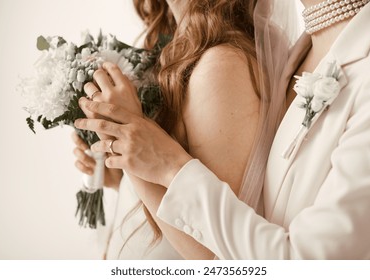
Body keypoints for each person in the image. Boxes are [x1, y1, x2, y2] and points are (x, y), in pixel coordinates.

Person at [76, 0, 370, 259]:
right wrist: (130, 175)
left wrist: (166, 167)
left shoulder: (224, 62)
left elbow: (310, 262)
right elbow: (266, 206)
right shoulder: (303, 50)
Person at [73, 0, 270, 259]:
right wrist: (121, 177)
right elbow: (176, 198)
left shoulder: (221, 65)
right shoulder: (172, 46)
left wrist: (125, 136)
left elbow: (218, 254)